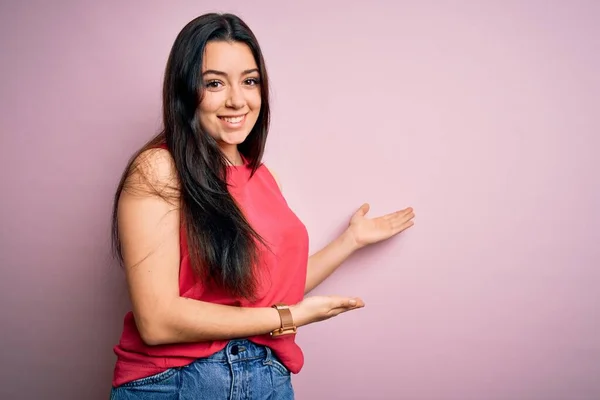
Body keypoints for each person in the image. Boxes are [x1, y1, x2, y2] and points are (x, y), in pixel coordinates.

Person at [108, 12, 415, 400]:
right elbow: (157, 320)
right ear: (185, 91)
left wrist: (349, 241)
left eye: (250, 81)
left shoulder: (263, 178)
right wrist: (286, 318)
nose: (237, 100)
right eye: (214, 83)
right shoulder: (159, 168)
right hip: (180, 381)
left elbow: (267, 293)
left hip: (267, 378)